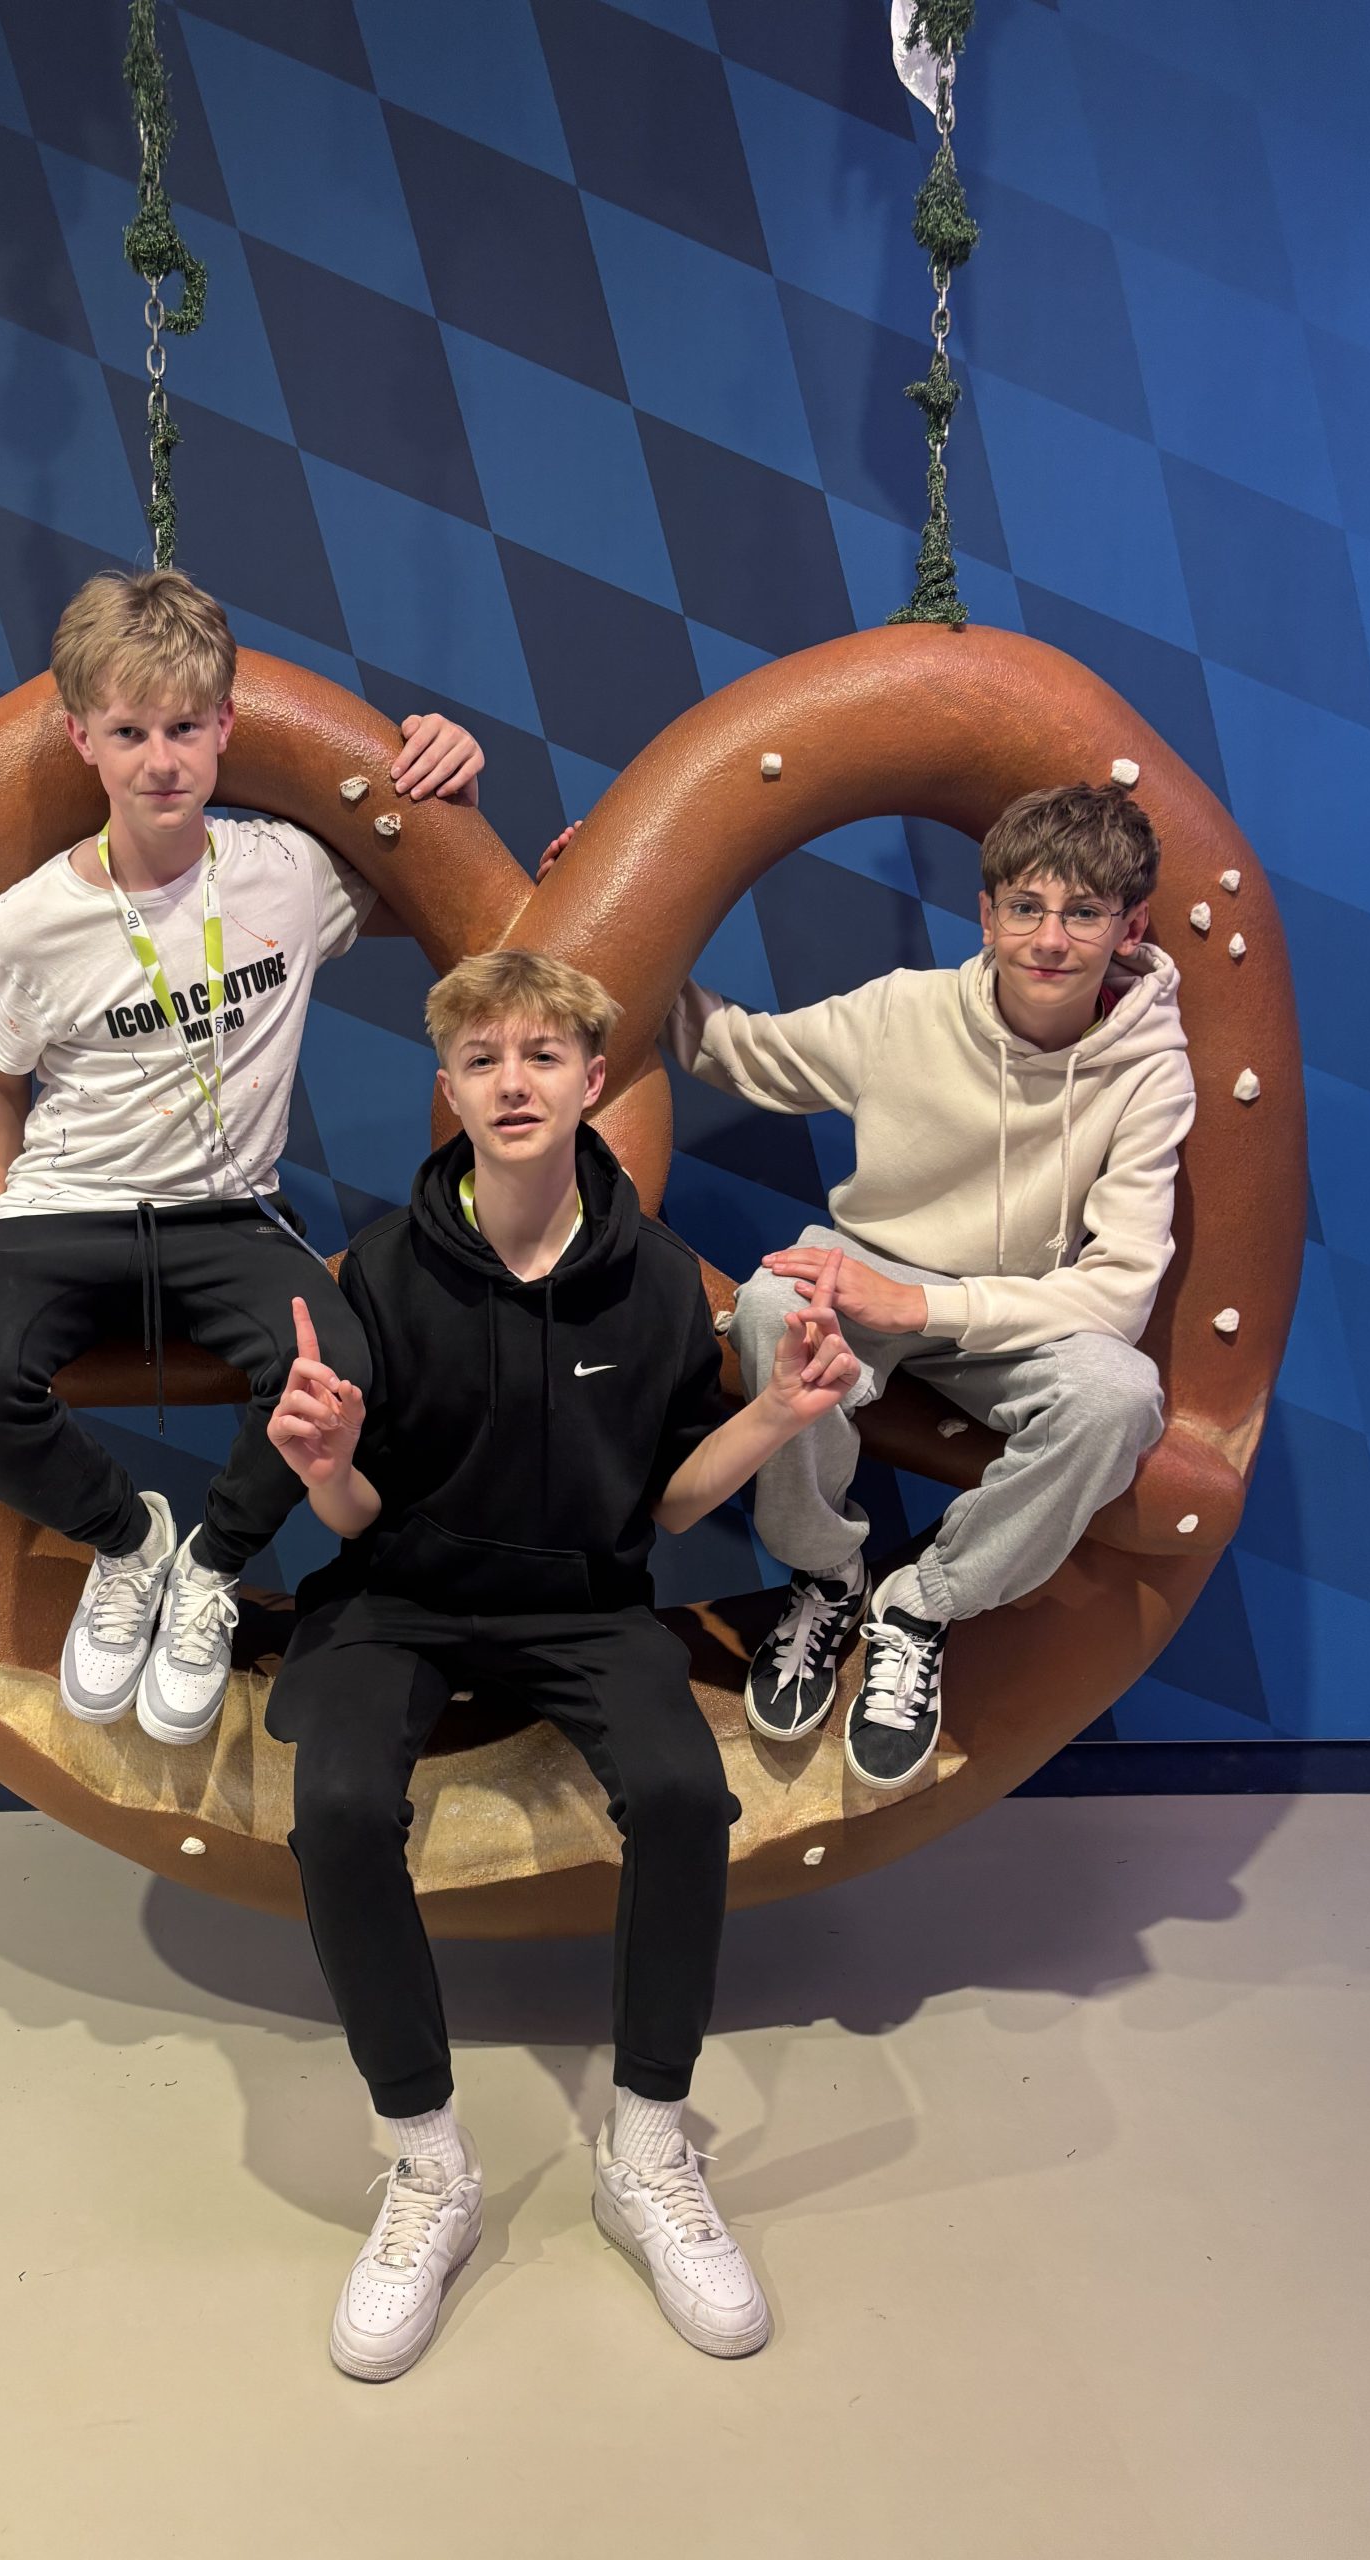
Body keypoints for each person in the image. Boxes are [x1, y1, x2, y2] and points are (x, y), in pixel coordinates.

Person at [263, 948, 860, 2381]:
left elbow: (669, 1505)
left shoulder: (652, 1279)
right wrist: (327, 1468)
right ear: (449, 1090)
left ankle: (646, 2147)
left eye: (542, 1055)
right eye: (484, 1060)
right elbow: (356, 1516)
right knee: (335, 1806)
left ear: (595, 1080)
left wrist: (777, 1415)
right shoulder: (383, 1269)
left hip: (587, 1606)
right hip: (403, 1594)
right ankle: (427, 2165)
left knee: (685, 1796)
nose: (513, 1082)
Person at [0, 568, 485, 1744]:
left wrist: (450, 771)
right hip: (66, 1209)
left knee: (338, 1360)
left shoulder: (288, 872)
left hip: (227, 1213)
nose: (159, 761)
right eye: (128, 733)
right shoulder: (22, 926)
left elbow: (441, 885)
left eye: (182, 728)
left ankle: (210, 1564)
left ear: (224, 728)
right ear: (83, 740)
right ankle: (130, 1542)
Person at [662, 780, 1196, 1790]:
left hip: (1021, 1313)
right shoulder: (906, 1008)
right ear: (986, 914)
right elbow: (737, 1052)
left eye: (1084, 913)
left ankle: (919, 1604)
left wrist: (928, 1306)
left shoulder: (1151, 1070)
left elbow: (1119, 1292)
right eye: (1026, 907)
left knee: (1119, 1395)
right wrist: (630, 926)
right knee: (774, 1305)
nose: (1050, 939)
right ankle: (827, 1575)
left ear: (1131, 928)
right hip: (875, 1275)